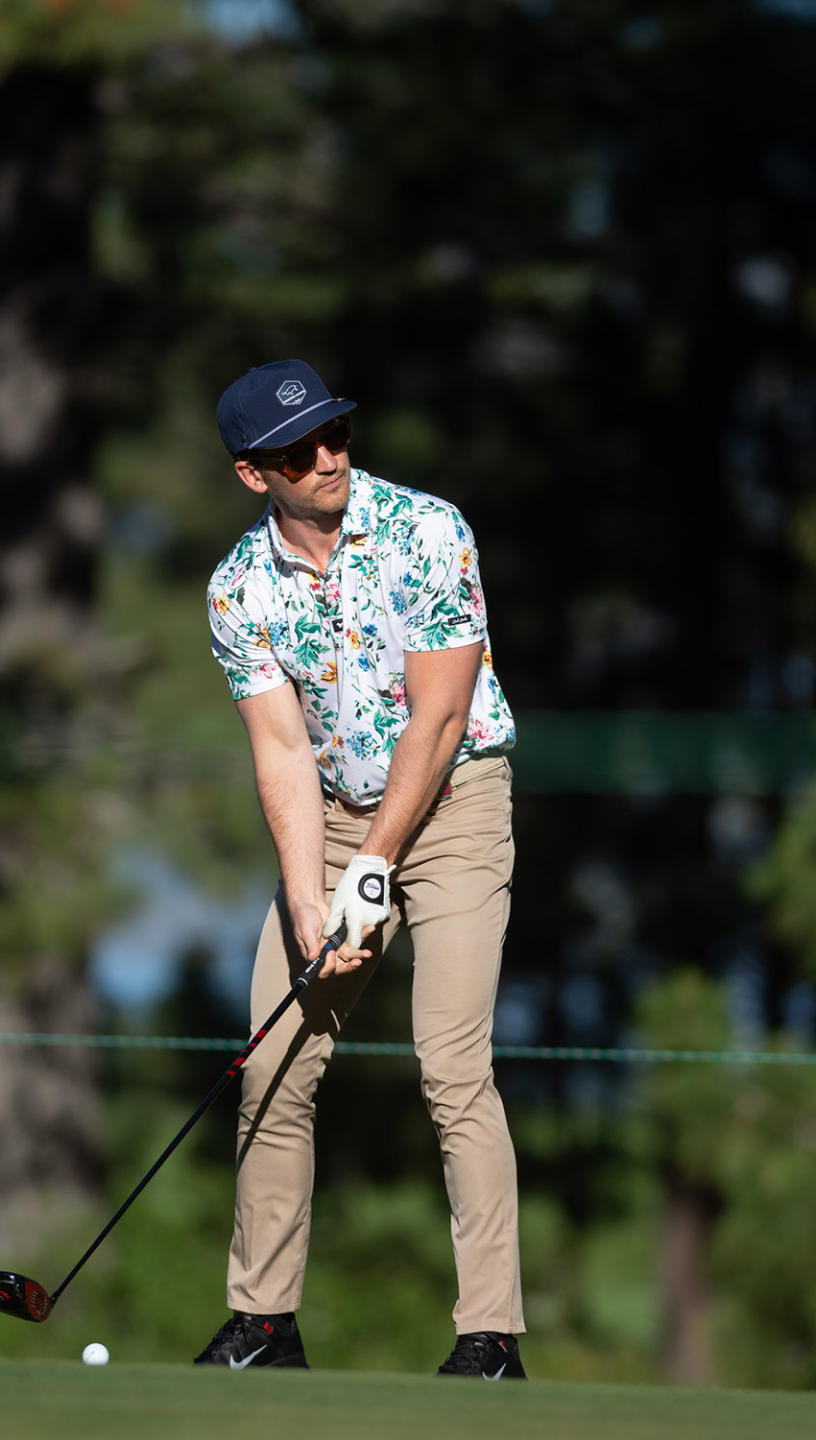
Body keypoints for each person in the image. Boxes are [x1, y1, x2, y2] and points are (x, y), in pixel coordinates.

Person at [195, 359, 525, 1379]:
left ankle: (489, 1337)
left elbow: (436, 716)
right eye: (301, 451)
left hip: (456, 805)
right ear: (257, 475)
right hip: (332, 820)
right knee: (276, 1063)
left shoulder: (429, 531)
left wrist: (375, 868)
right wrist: (307, 898)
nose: (330, 459)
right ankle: (265, 1323)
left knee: (451, 1065)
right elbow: (285, 754)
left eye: (336, 434)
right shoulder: (237, 591)